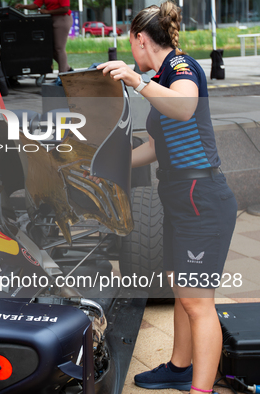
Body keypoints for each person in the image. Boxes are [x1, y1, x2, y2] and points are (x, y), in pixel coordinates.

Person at [97, 2, 237, 394]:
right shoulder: (162, 75)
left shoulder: (180, 69)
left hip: (201, 198)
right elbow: (158, 145)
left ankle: (201, 389)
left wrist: (135, 81)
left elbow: (185, 105)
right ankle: (179, 367)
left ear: (141, 39)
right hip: (180, 195)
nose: (132, 55)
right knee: (182, 288)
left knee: (197, 302)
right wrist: (107, 162)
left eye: (132, 45)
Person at [15, 0, 72, 74]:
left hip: (62, 19)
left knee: (59, 48)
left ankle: (62, 75)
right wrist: (23, 6)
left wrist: (48, 12)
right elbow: (36, 5)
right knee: (50, 49)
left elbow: (65, 9)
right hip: (50, 19)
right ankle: (67, 68)